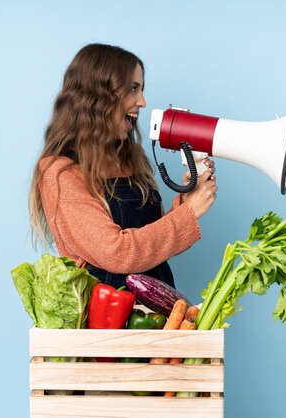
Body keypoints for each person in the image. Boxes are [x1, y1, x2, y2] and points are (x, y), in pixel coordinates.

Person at [28, 43, 217, 289]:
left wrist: (186, 201)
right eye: (132, 89)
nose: (143, 101)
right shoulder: (60, 172)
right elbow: (117, 252)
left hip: (158, 308)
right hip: (107, 322)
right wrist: (188, 213)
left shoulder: (132, 157)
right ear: (96, 98)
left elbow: (153, 245)